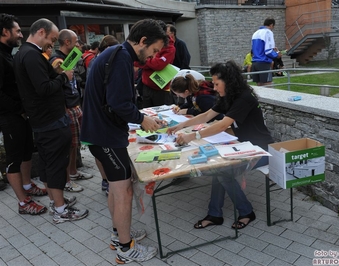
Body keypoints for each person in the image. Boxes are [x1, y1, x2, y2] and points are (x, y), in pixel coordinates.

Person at [80, 19, 168, 264]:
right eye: (153, 50)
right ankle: (125, 248)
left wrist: (139, 117)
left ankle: (119, 234)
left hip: (102, 133)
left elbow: (115, 99)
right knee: (124, 190)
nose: (153, 56)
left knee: (116, 186)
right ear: (142, 41)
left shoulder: (117, 53)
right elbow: (118, 103)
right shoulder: (120, 58)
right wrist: (142, 120)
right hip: (104, 135)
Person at [167, 60, 274, 230]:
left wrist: (192, 136)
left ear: (229, 82)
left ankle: (244, 212)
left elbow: (223, 124)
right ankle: (215, 214)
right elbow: (207, 115)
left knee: (224, 171)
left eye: (217, 84)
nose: (214, 88)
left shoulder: (243, 98)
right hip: (243, 145)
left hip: (261, 149)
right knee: (221, 169)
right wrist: (180, 126)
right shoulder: (228, 96)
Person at [13, 18, 88, 223]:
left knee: (49, 163)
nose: (52, 45)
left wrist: (55, 73)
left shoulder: (28, 53)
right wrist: (64, 77)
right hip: (49, 120)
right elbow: (43, 88)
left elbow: (40, 83)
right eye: (52, 39)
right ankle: (60, 210)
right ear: (42, 32)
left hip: (45, 119)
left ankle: (57, 201)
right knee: (55, 164)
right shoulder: (31, 55)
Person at [0, 13, 48, 215]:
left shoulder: (8, 53)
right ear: (5, 31)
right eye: (18, 30)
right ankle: (23, 202)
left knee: (27, 151)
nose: (21, 35)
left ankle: (28, 186)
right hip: (10, 117)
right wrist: (19, 110)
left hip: (21, 115)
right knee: (14, 158)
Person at [49, 29, 93, 193]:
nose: (78, 45)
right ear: (67, 42)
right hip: (67, 107)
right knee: (68, 145)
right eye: (75, 41)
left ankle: (73, 172)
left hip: (75, 104)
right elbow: (58, 80)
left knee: (75, 144)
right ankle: (66, 180)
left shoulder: (69, 57)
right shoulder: (57, 60)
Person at [85, 34, 120, 195]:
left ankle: (109, 180)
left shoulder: (103, 61)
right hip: (99, 116)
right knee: (101, 150)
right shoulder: (98, 62)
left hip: (100, 115)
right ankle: (107, 180)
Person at [134, 20, 175, 108]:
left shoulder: (170, 48)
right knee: (147, 112)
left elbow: (158, 65)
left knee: (163, 114)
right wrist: (149, 62)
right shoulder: (148, 44)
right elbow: (138, 61)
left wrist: (146, 62)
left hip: (162, 88)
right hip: (146, 85)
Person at [251, 17, 282, 86]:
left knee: (259, 85)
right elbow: (268, 51)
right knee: (268, 85)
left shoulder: (255, 33)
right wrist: (277, 54)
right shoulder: (268, 32)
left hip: (255, 62)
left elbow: (253, 50)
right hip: (263, 62)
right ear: (271, 25)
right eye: (273, 27)